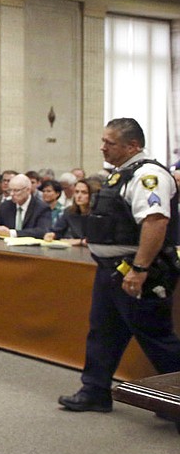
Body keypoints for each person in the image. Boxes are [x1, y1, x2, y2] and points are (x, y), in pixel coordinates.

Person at [59, 118, 180, 413]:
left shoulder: (147, 175)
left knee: (156, 338)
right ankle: (95, 391)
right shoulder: (120, 175)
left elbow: (155, 222)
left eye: (109, 143)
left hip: (139, 271)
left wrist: (140, 269)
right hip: (111, 271)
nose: (102, 147)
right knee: (103, 331)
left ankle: (176, 400)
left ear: (132, 146)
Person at [0, 173, 52, 238]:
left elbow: (42, 231)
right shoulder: (6, 205)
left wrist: (13, 233)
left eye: (16, 190)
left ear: (28, 190)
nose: (12, 194)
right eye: (10, 190)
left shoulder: (41, 207)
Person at [43, 178, 99, 245]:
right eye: (77, 192)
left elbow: (97, 239)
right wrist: (52, 234)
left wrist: (79, 241)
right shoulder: (69, 211)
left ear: (93, 195)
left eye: (84, 193)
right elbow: (58, 230)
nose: (79, 196)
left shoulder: (98, 214)